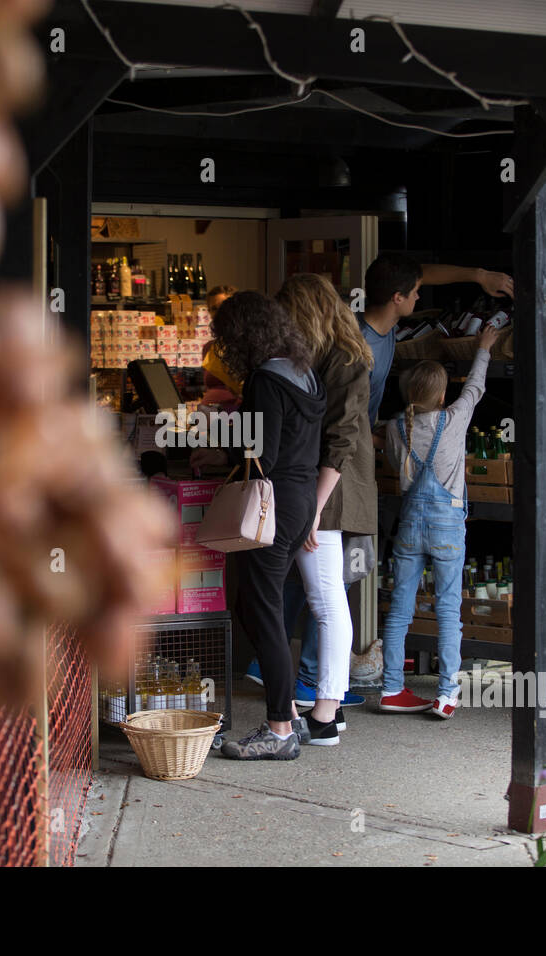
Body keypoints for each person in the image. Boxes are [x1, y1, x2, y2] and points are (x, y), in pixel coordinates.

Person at [190, 292, 325, 760]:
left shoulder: (267, 380)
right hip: (300, 500)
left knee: (263, 612)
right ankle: (286, 710)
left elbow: (261, 456)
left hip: (270, 504)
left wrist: (218, 451)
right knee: (253, 606)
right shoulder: (303, 371)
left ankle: (280, 730)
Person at [268, 273, 376, 745]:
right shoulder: (339, 355)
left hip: (327, 491)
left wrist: (313, 508)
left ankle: (326, 714)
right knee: (326, 597)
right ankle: (328, 708)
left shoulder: (344, 360)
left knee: (325, 598)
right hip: (325, 489)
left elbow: (341, 440)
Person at [379, 324, 500, 717]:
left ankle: (392, 688)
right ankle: (446, 693)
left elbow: (394, 467)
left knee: (399, 609)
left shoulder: (396, 428)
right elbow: (476, 388)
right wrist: (483, 347)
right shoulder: (455, 418)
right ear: (442, 395)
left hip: (410, 525)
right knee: (448, 609)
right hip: (447, 525)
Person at [361, 253, 513, 431]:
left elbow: (423, 273)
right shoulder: (359, 348)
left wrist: (481, 276)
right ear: (398, 298)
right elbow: (343, 422)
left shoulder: (383, 326)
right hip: (352, 446)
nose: (418, 297)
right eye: (415, 291)